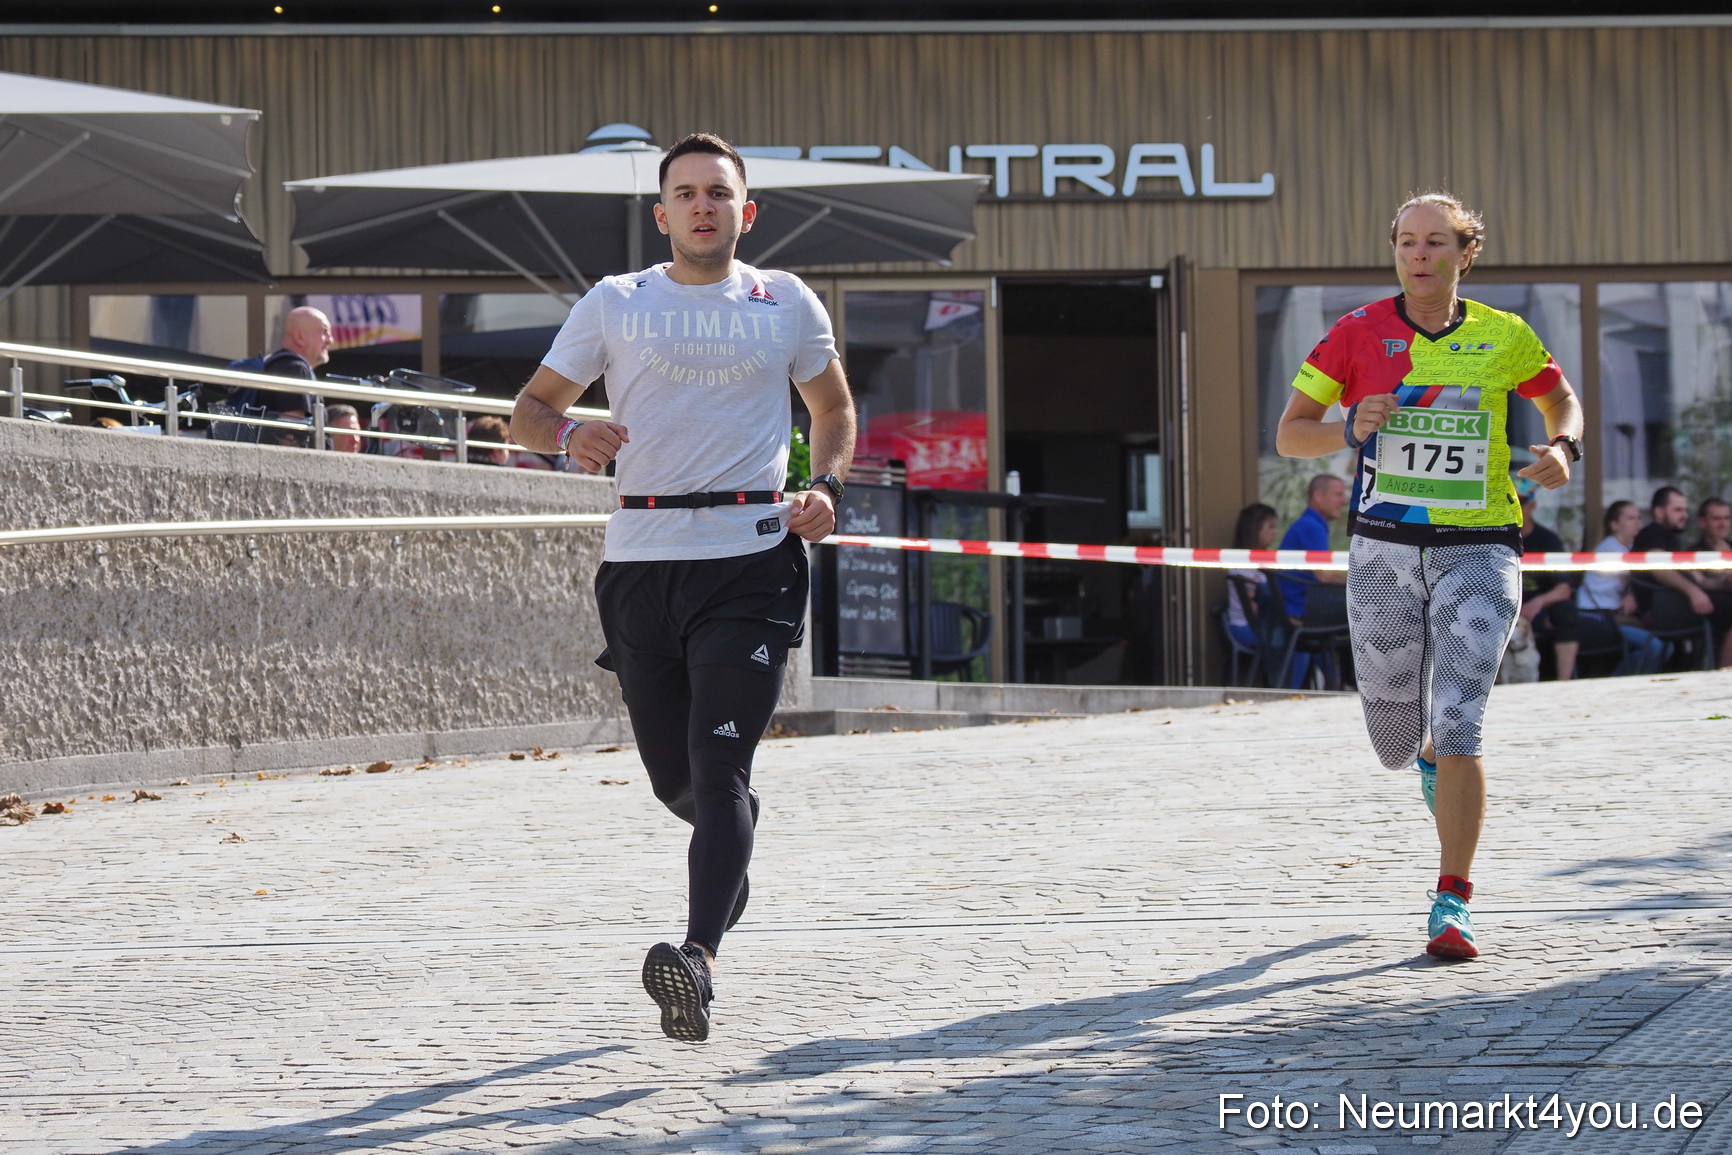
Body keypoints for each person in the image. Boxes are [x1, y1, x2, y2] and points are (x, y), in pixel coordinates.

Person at [511, 132, 856, 1044]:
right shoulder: (617, 302)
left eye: (719, 192)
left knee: (719, 764)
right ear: (661, 214)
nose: (704, 205)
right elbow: (529, 412)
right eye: (687, 193)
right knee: (679, 781)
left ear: (747, 212)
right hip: (640, 561)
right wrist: (567, 435)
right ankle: (728, 844)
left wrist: (826, 487)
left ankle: (697, 958)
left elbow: (833, 407)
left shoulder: (785, 301)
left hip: (751, 557)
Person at [1275, 191, 1583, 961]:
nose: (1419, 254)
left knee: (1461, 719)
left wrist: (1564, 447)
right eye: (1407, 241)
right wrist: (1348, 427)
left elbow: (1561, 401)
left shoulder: (1503, 334)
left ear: (1463, 253)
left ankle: (1453, 898)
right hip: (1384, 548)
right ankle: (1428, 761)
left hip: (1480, 543)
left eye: (1436, 241)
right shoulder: (1356, 332)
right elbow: (1290, 436)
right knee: (1394, 738)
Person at [1632, 486, 1732, 667]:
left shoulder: (1672, 540)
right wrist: (1693, 592)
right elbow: (1658, 567)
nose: (1684, 515)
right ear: (1659, 512)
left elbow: (1701, 580)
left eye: (1685, 510)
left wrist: (1724, 582)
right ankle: (1727, 675)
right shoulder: (1652, 533)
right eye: (1677, 510)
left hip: (1683, 604)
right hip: (1666, 609)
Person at [1274, 474, 1348, 688]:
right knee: (1369, 610)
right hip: (1301, 609)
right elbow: (1324, 575)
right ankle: (1351, 683)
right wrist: (1360, 578)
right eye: (1338, 495)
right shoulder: (1311, 526)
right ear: (1318, 496)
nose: (1343, 501)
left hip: (1303, 606)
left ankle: (1340, 682)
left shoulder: (1310, 524)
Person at [1576, 500, 1666, 675]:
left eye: (1639, 518)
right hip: (1597, 619)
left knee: (1660, 645)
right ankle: (1616, 682)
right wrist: (1632, 591)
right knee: (1656, 647)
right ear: (1614, 525)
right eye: (1631, 518)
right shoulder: (1610, 549)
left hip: (1612, 618)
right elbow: (1639, 578)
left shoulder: (1628, 548)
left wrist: (1631, 592)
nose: (1638, 524)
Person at [1514, 478, 1581, 680]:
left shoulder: (1548, 540)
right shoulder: (1498, 539)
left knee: (1567, 614)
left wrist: (1538, 602)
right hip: (1506, 608)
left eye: (1520, 505)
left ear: (1532, 507)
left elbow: (1564, 589)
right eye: (1511, 504)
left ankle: (1563, 684)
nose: (1515, 510)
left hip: (1539, 609)